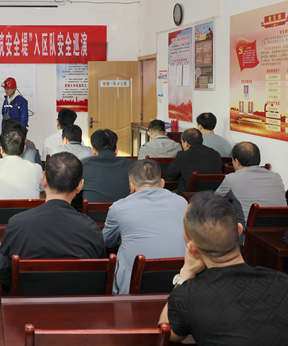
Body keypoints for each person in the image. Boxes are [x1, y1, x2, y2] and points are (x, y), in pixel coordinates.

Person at [159, 192, 288, 344]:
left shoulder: (188, 295)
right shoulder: (283, 281)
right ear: (239, 230)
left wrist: (186, 273)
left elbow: (165, 331)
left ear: (192, 248)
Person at [0, 152, 106, 288]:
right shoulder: (92, 229)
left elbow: (3, 272)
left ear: (44, 179)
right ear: (80, 185)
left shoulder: (17, 223)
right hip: (76, 300)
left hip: (28, 299)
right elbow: (99, 276)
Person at [102, 159, 187, 294]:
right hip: (179, 286)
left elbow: (107, 242)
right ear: (162, 183)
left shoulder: (119, 208)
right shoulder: (182, 203)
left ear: (131, 186)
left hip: (134, 290)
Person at [215, 142, 286, 243]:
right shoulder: (276, 177)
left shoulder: (231, 179)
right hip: (279, 238)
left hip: (246, 240)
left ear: (237, 162)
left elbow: (214, 201)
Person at [0, 126, 43, 199]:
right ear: (24, 149)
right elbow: (42, 192)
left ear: (1, 150)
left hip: (1, 206)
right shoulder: (37, 168)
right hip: (32, 206)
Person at [165, 128, 222, 195]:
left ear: (186, 144)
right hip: (213, 196)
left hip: (190, 197)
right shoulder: (215, 154)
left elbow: (169, 175)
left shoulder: (183, 156)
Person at [81, 129, 132, 202]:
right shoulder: (130, 165)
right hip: (124, 209)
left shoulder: (82, 165)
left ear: (93, 150)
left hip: (91, 209)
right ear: (116, 150)